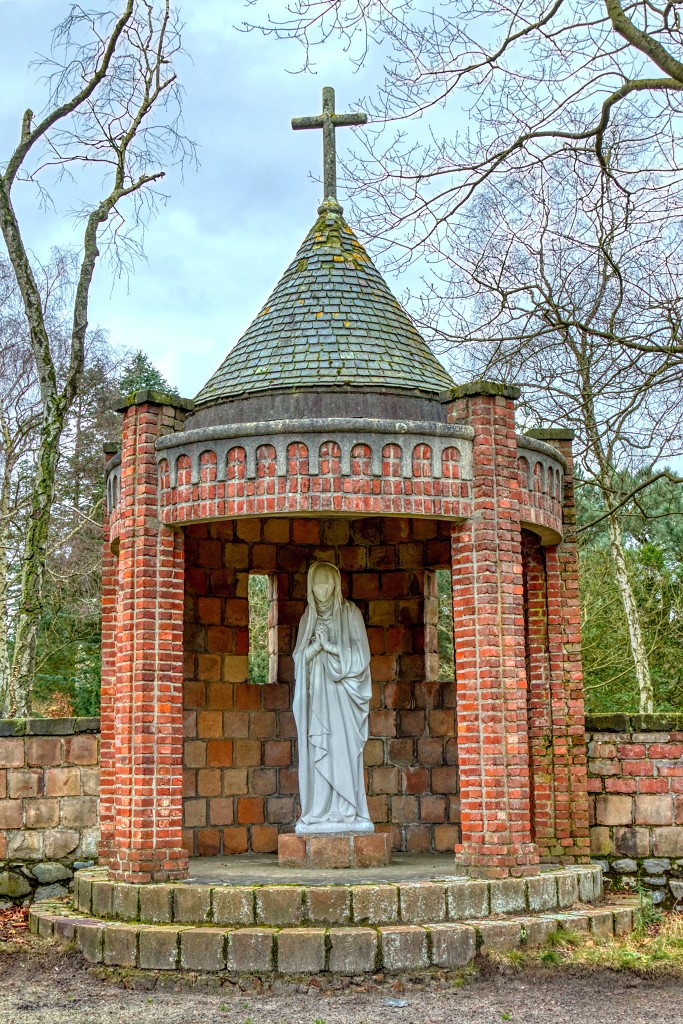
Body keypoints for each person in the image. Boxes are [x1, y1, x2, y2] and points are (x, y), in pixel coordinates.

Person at [292, 561, 374, 834]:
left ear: (336, 585)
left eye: (327, 585)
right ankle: (319, 810)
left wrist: (331, 647)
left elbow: (361, 656)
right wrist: (315, 647)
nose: (322, 591)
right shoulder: (308, 618)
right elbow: (299, 660)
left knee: (343, 750)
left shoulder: (350, 613)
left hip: (343, 699)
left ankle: (347, 810)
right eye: (317, 585)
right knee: (320, 749)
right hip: (318, 700)